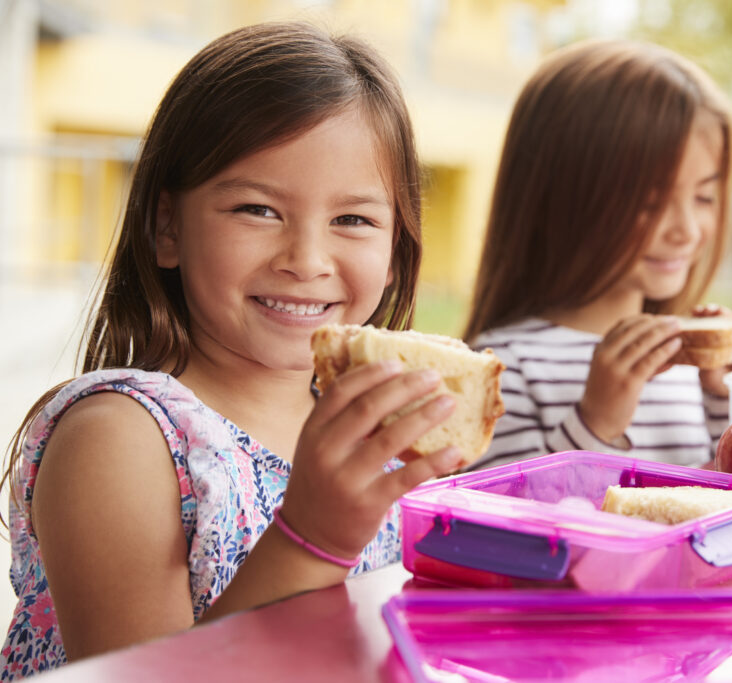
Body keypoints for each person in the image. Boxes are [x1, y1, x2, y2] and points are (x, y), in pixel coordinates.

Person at [0, 22, 462, 679]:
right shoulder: (118, 440)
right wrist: (313, 539)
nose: (305, 259)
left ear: (395, 251)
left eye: (353, 219)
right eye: (257, 209)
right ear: (167, 228)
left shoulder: (380, 433)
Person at [463, 39, 732, 471]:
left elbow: (723, 502)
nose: (686, 230)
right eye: (651, 202)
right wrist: (595, 422)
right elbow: (503, 522)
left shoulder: (685, 371)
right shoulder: (504, 366)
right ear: (558, 198)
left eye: (703, 197)